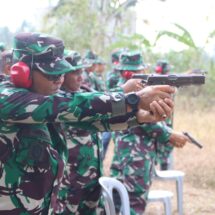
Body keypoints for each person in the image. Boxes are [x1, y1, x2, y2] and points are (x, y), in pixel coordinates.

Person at [0, 32, 175, 214]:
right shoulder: (6, 98)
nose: (59, 79)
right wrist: (132, 99)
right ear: (21, 71)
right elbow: (67, 106)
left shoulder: (46, 96)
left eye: (61, 72)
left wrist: (139, 116)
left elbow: (86, 119)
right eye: (51, 73)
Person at [108, 51, 190, 214]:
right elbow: (144, 119)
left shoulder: (116, 90)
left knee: (120, 203)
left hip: (127, 154)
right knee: (133, 204)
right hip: (136, 155)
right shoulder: (132, 92)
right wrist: (169, 134)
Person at [55, 50, 104, 214]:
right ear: (61, 75)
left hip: (92, 175)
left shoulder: (84, 93)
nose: (80, 77)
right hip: (69, 180)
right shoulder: (57, 100)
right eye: (74, 73)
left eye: (81, 71)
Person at [154, 59, 175, 170]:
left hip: (164, 117)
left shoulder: (164, 82)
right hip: (160, 118)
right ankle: (163, 164)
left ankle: (163, 164)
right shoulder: (158, 83)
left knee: (166, 139)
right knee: (166, 138)